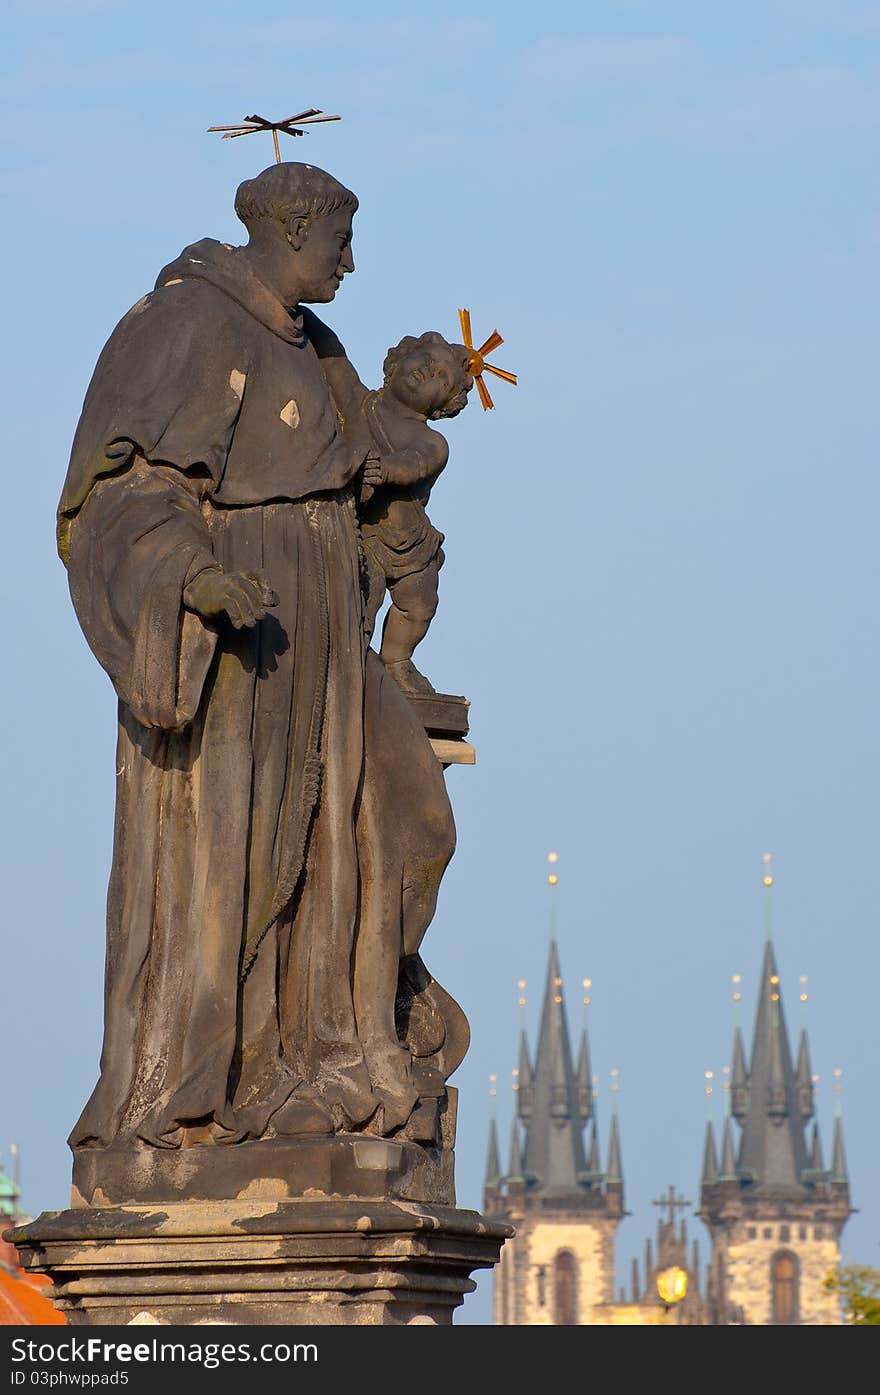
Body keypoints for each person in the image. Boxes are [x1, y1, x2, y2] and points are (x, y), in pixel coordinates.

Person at [57, 162, 456, 1150]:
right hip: (246, 625)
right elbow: (120, 490)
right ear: (292, 227)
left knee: (408, 831)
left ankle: (347, 1043)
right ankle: (223, 1078)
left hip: (329, 623)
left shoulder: (316, 346)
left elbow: (370, 464)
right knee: (251, 853)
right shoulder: (186, 323)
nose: (351, 264)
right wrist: (194, 581)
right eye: (339, 244)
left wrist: (418, 433)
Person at [355, 332, 473, 695]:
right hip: (361, 535)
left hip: (411, 543)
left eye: (442, 377)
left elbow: (416, 464)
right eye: (425, 358)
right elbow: (333, 360)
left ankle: (397, 661)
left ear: (443, 407)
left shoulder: (432, 442)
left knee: (420, 604)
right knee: (362, 600)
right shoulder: (358, 403)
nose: (428, 371)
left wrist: (387, 470)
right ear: (397, 360)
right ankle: (355, 659)